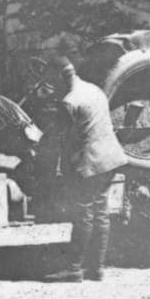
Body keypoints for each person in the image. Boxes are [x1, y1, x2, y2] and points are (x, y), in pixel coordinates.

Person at [41, 55, 129, 283]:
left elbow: (59, 140)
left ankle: (73, 268)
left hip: (90, 163)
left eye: (51, 79)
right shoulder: (94, 90)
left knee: (83, 215)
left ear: (60, 76)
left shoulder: (69, 102)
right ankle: (96, 269)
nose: (51, 84)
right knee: (100, 213)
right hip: (111, 158)